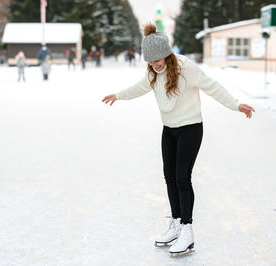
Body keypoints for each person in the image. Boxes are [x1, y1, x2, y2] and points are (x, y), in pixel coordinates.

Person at [102, 24, 255, 257]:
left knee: (182, 177)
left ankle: (187, 229)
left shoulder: (186, 68)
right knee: (169, 177)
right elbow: (140, 87)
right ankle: (175, 223)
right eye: (151, 61)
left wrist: (236, 104)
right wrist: (119, 95)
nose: (155, 64)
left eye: (159, 59)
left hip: (190, 128)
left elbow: (212, 87)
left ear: (167, 53)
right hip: (169, 129)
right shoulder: (152, 73)